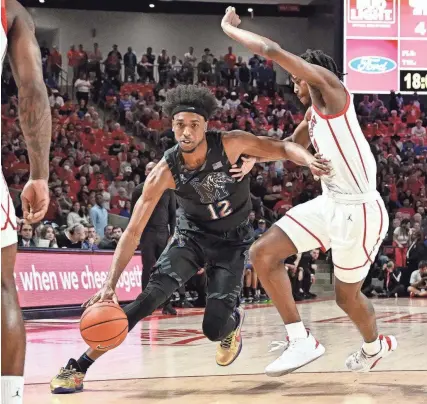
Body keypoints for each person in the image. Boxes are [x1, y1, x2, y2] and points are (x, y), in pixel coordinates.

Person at [49, 84, 329, 394]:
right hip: (191, 238)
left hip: (231, 243)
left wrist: (308, 160)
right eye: (180, 124)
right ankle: (79, 365)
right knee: (148, 299)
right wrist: (109, 284)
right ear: (172, 125)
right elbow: (132, 232)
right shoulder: (165, 171)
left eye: (194, 124)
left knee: (213, 329)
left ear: (206, 126)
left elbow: (283, 147)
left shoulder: (232, 144)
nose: (187, 131)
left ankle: (231, 324)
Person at [221, 6, 396, 376]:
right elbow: (287, 145)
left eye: (296, 78)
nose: (293, 84)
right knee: (263, 253)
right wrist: (256, 160)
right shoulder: (312, 116)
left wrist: (229, 29)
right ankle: (300, 339)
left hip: (360, 212)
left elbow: (270, 51)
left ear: (312, 74)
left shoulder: (332, 92)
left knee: (346, 298)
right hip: (330, 203)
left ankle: (374, 346)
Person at [1, 1, 51, 403]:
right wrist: (39, 174)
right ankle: (10, 397)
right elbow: (32, 90)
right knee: (2, 287)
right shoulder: (10, 10)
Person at [130, 161, 177, 315]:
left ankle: (167, 303)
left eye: (153, 168)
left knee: (165, 269)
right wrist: (135, 235)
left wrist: (173, 233)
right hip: (147, 233)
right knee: (148, 267)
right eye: (148, 168)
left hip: (164, 233)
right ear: (145, 172)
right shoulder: (138, 190)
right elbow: (133, 216)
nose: (151, 171)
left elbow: (172, 214)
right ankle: (145, 304)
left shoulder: (168, 189)